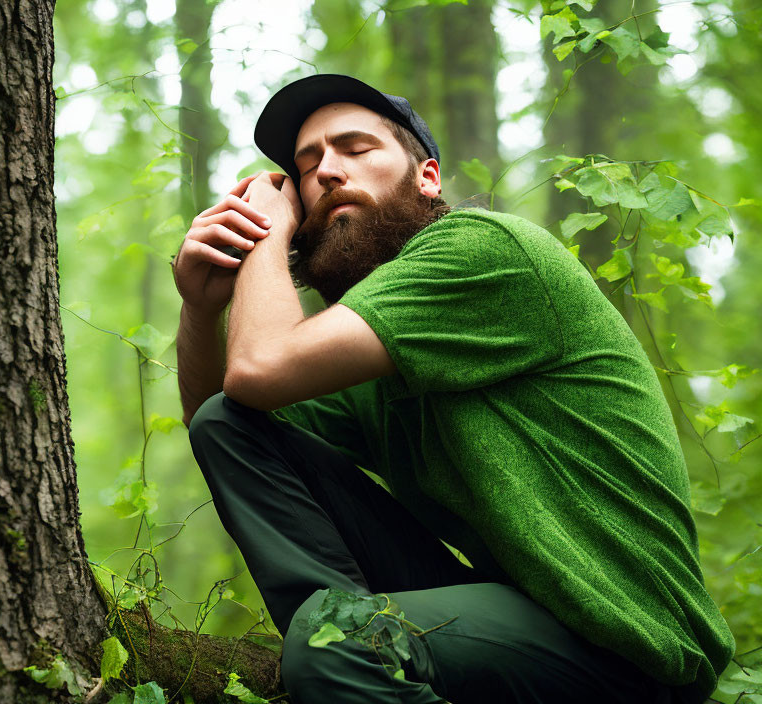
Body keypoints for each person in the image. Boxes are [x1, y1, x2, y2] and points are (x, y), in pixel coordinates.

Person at [171, 74, 735, 703]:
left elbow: (260, 368)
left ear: (428, 177)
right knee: (231, 431)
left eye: (355, 149)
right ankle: (342, 662)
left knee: (338, 639)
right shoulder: (366, 345)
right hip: (507, 614)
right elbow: (226, 419)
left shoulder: (482, 249)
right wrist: (200, 309)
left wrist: (267, 233)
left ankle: (342, 654)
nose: (327, 171)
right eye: (307, 165)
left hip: (626, 648)